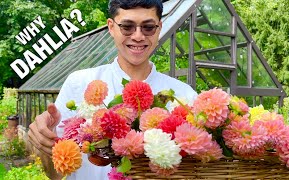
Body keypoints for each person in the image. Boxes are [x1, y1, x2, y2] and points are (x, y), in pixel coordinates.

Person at [28, 0, 198, 179]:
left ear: (159, 28)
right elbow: (54, 175)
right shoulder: (79, 83)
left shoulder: (183, 97)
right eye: (127, 26)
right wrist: (45, 141)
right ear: (111, 27)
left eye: (148, 27)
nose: (138, 36)